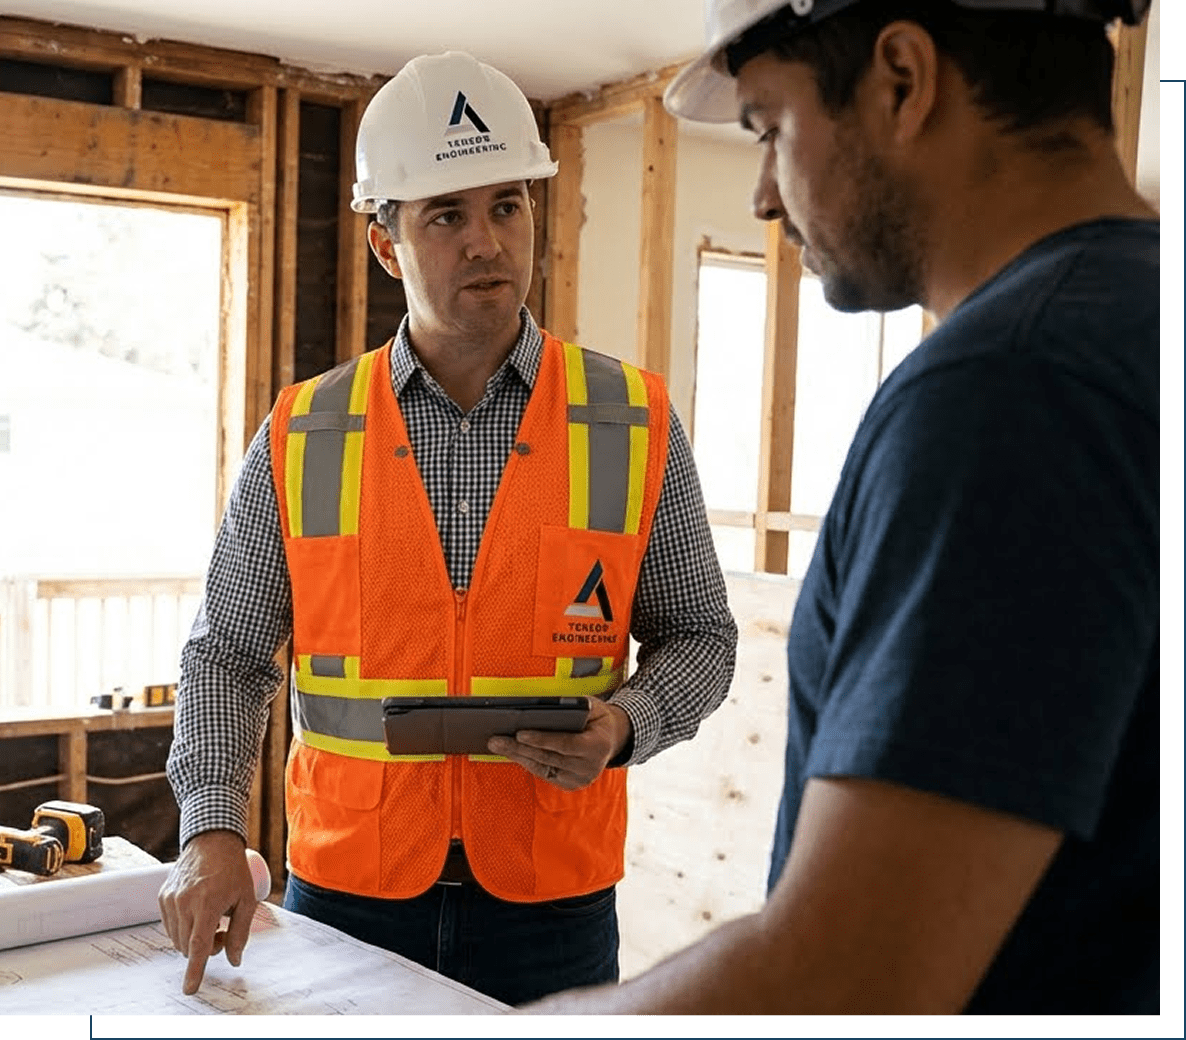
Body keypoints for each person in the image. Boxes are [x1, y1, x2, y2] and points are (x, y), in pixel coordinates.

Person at [519, 0, 1159, 1015]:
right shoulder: (1133, 326)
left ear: (901, 78)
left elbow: (848, 977)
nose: (765, 196)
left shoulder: (1010, 386)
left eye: (769, 127)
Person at [158, 50, 737, 1005]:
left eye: (507, 206)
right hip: (352, 891)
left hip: (556, 900)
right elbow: (228, 652)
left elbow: (702, 638)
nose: (486, 243)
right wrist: (213, 828)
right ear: (386, 247)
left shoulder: (632, 418)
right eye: (446, 216)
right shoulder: (305, 430)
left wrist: (629, 725)